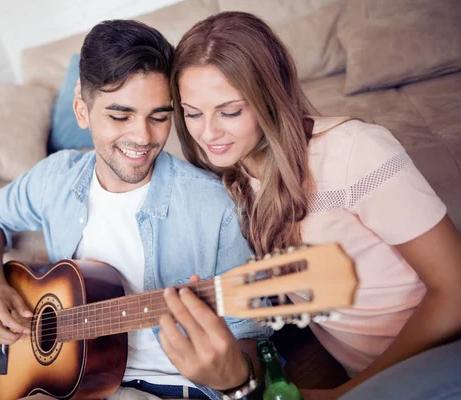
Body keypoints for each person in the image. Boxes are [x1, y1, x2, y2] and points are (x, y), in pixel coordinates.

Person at [166, 10, 461, 399]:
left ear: (269, 96)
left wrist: (350, 391)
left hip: (436, 362)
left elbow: (455, 291)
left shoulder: (356, 151)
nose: (208, 133)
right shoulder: (231, 178)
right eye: (192, 113)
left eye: (230, 111)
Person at [0, 19, 271, 400]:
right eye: (120, 116)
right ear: (82, 111)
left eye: (159, 117)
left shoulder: (216, 209)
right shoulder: (55, 178)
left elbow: (252, 344)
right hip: (77, 379)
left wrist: (232, 375)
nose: (143, 137)